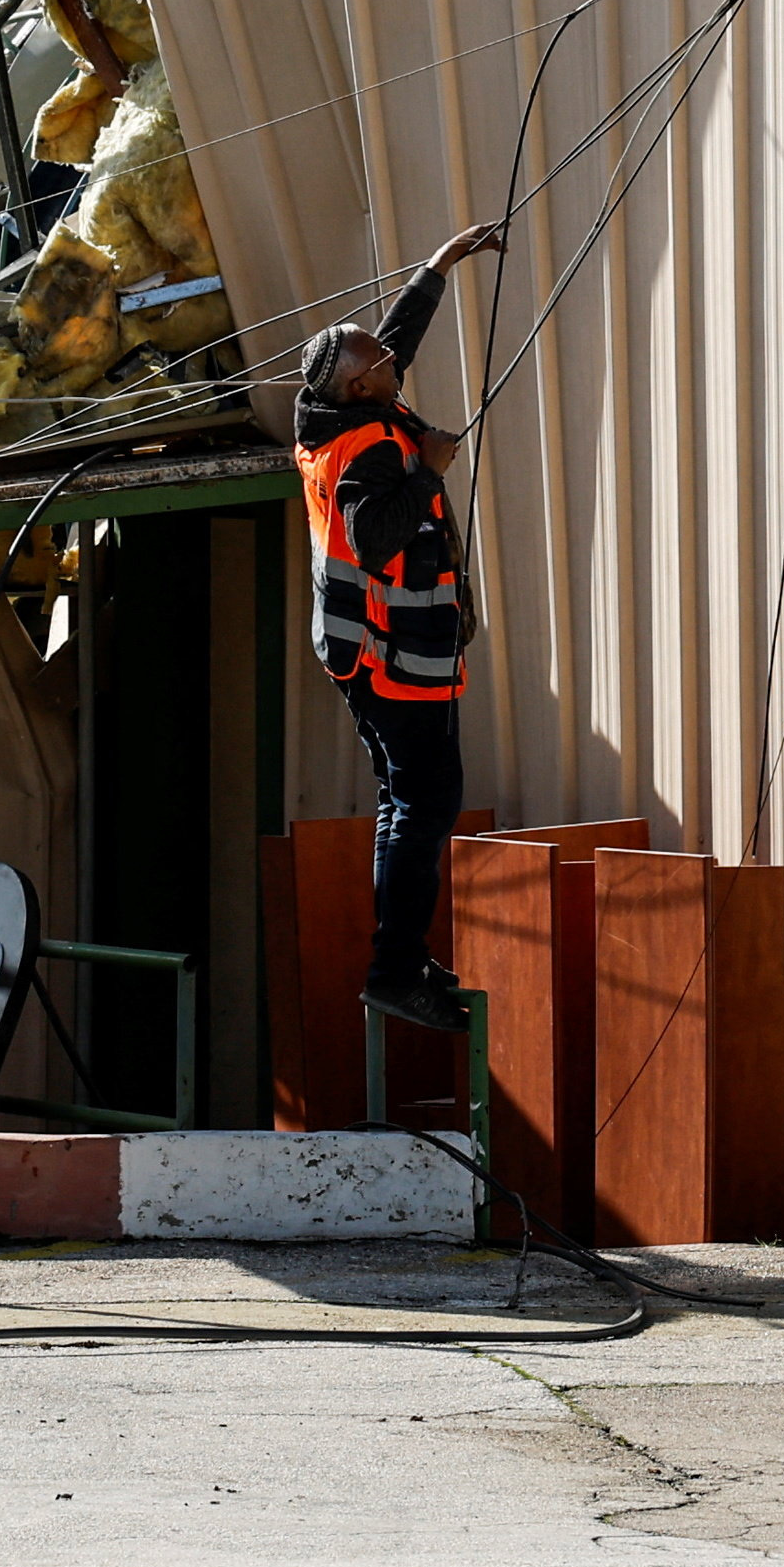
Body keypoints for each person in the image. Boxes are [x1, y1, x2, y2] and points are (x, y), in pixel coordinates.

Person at [295, 219, 506, 1029]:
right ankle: (393, 966)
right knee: (427, 799)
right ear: (361, 391)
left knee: (403, 798)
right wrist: (428, 471)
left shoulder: (333, 410)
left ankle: (399, 954)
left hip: (359, 648)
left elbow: (385, 343)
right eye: (377, 364)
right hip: (391, 654)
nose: (390, 360)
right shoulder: (375, 450)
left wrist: (438, 266)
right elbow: (370, 534)